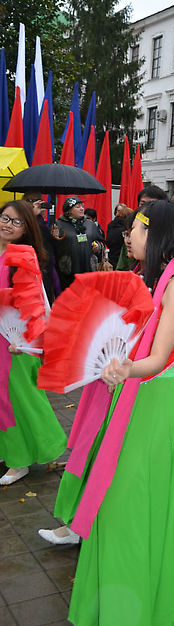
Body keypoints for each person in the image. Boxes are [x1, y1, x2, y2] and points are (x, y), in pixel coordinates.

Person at [43, 200, 174, 626]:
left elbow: (157, 358)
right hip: (136, 395)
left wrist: (124, 367)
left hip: (155, 399)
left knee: (131, 510)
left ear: (157, 236)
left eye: (135, 229)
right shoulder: (155, 279)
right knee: (116, 507)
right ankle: (112, 614)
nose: (127, 235)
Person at [0, 201, 67, 485]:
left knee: (20, 400)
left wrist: (31, 340)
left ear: (27, 228)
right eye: (5, 217)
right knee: (5, 401)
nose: (7, 224)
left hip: (16, 343)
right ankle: (13, 453)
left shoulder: (23, 257)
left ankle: (26, 457)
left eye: (16, 222)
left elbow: (38, 304)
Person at [51, 196, 105, 290]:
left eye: (82, 206)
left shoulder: (90, 224)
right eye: (77, 206)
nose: (82, 208)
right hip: (69, 271)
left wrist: (98, 247)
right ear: (69, 210)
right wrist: (54, 238)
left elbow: (100, 241)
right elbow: (53, 248)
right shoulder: (59, 225)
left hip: (88, 269)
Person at [105, 204, 131, 269]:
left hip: (113, 257)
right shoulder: (128, 225)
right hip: (125, 258)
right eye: (118, 210)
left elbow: (108, 242)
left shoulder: (110, 225)